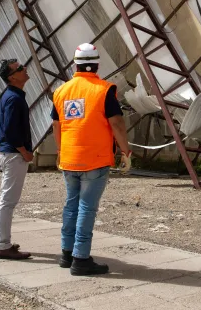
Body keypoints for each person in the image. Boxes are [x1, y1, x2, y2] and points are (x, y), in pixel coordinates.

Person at [51, 43, 132, 276]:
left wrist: (60, 150)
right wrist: (125, 151)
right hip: (95, 159)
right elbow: (116, 123)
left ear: (75, 64)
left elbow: (56, 126)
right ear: (96, 65)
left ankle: (66, 254)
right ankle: (81, 258)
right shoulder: (104, 90)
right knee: (87, 207)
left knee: (71, 204)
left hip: (69, 158)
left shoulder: (61, 91)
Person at [0, 59, 34, 260]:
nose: (25, 69)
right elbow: (10, 129)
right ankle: (3, 245)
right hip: (13, 154)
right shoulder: (14, 99)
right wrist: (24, 151)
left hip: (8, 153)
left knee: (3, 200)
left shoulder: (11, 96)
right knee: (8, 201)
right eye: (20, 68)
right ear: (12, 77)